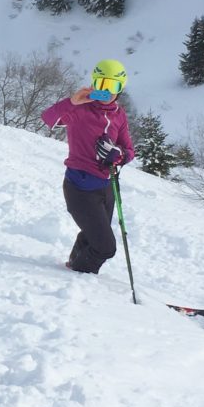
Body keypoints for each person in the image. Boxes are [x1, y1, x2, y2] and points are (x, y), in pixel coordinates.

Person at [41, 60, 135, 275]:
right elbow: (48, 118)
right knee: (106, 248)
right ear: (94, 83)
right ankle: (79, 278)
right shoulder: (79, 109)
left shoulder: (119, 114)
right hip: (79, 187)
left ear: (121, 89)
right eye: (101, 84)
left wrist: (118, 155)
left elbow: (129, 150)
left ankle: (73, 267)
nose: (107, 91)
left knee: (91, 234)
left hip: (107, 186)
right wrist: (71, 102)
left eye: (114, 86)